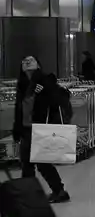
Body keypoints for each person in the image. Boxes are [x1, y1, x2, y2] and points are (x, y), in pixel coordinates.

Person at [13, 56, 71, 204]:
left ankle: (58, 191)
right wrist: (17, 129)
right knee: (27, 164)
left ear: (38, 65)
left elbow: (60, 97)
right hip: (26, 129)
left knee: (42, 163)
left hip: (40, 128)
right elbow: (19, 110)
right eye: (24, 60)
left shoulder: (45, 81)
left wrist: (45, 91)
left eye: (31, 59)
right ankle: (31, 194)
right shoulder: (22, 86)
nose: (27, 61)